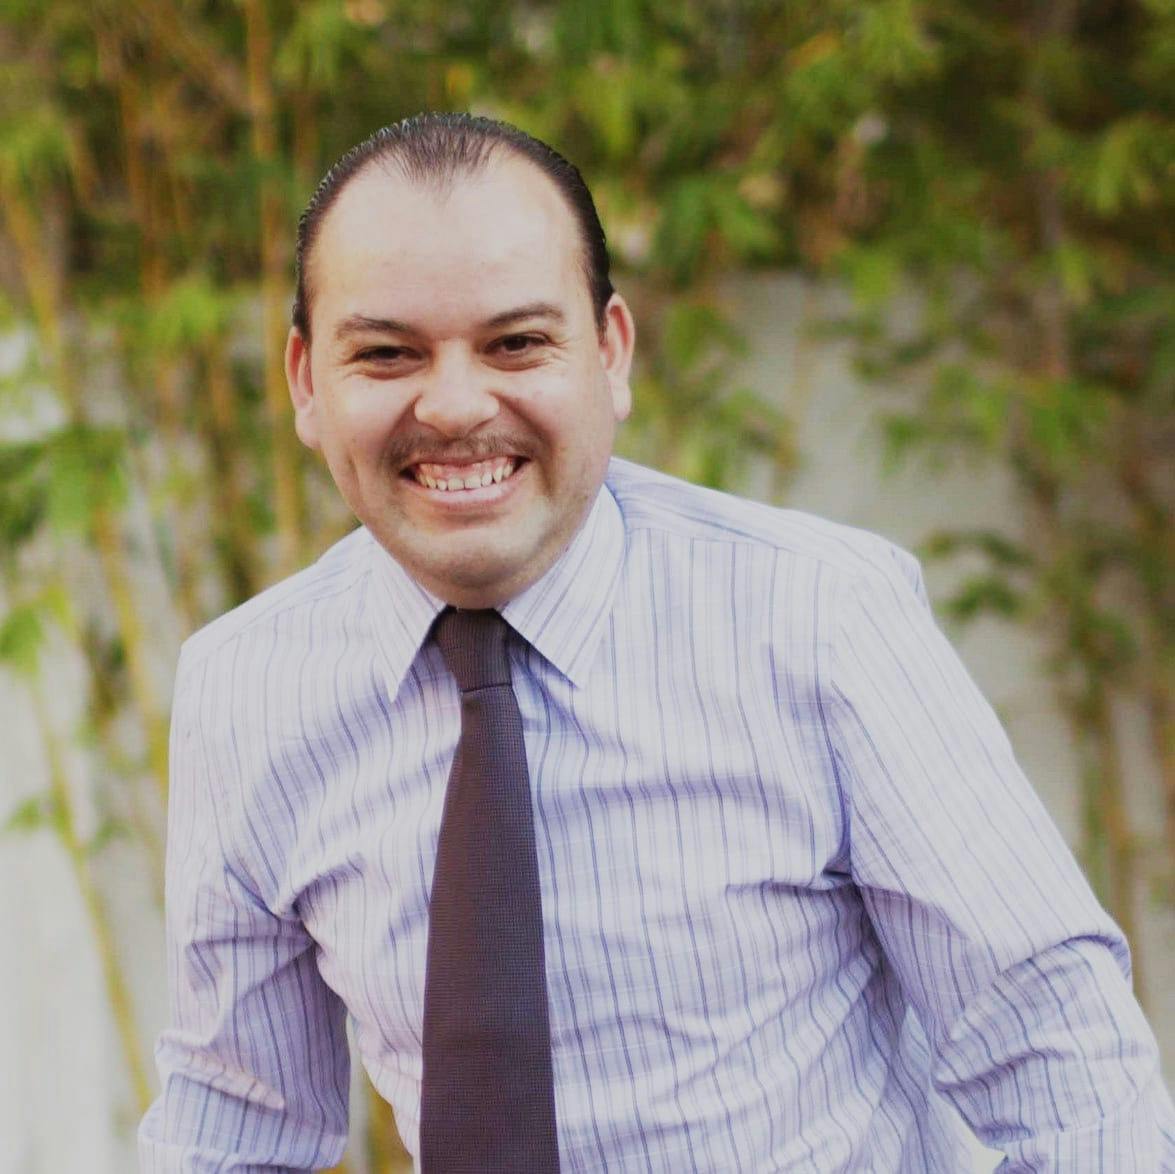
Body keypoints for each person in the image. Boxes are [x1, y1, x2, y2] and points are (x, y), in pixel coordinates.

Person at [138, 112, 1174, 1172]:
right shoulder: (246, 684)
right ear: (307, 382)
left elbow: (1062, 1069)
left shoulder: (816, 617)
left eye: (516, 343)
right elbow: (234, 1126)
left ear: (612, 353)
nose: (453, 404)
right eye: (388, 353)